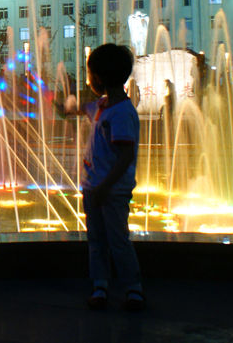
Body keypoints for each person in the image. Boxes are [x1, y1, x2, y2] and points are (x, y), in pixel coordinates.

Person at [55, 43, 144, 311]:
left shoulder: (122, 114)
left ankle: (133, 288)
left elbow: (126, 156)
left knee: (117, 240)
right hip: (94, 188)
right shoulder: (103, 105)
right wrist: (63, 107)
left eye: (90, 74)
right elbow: (82, 109)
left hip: (112, 191)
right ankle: (100, 284)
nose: (88, 79)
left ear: (101, 78)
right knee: (96, 239)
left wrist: (106, 186)